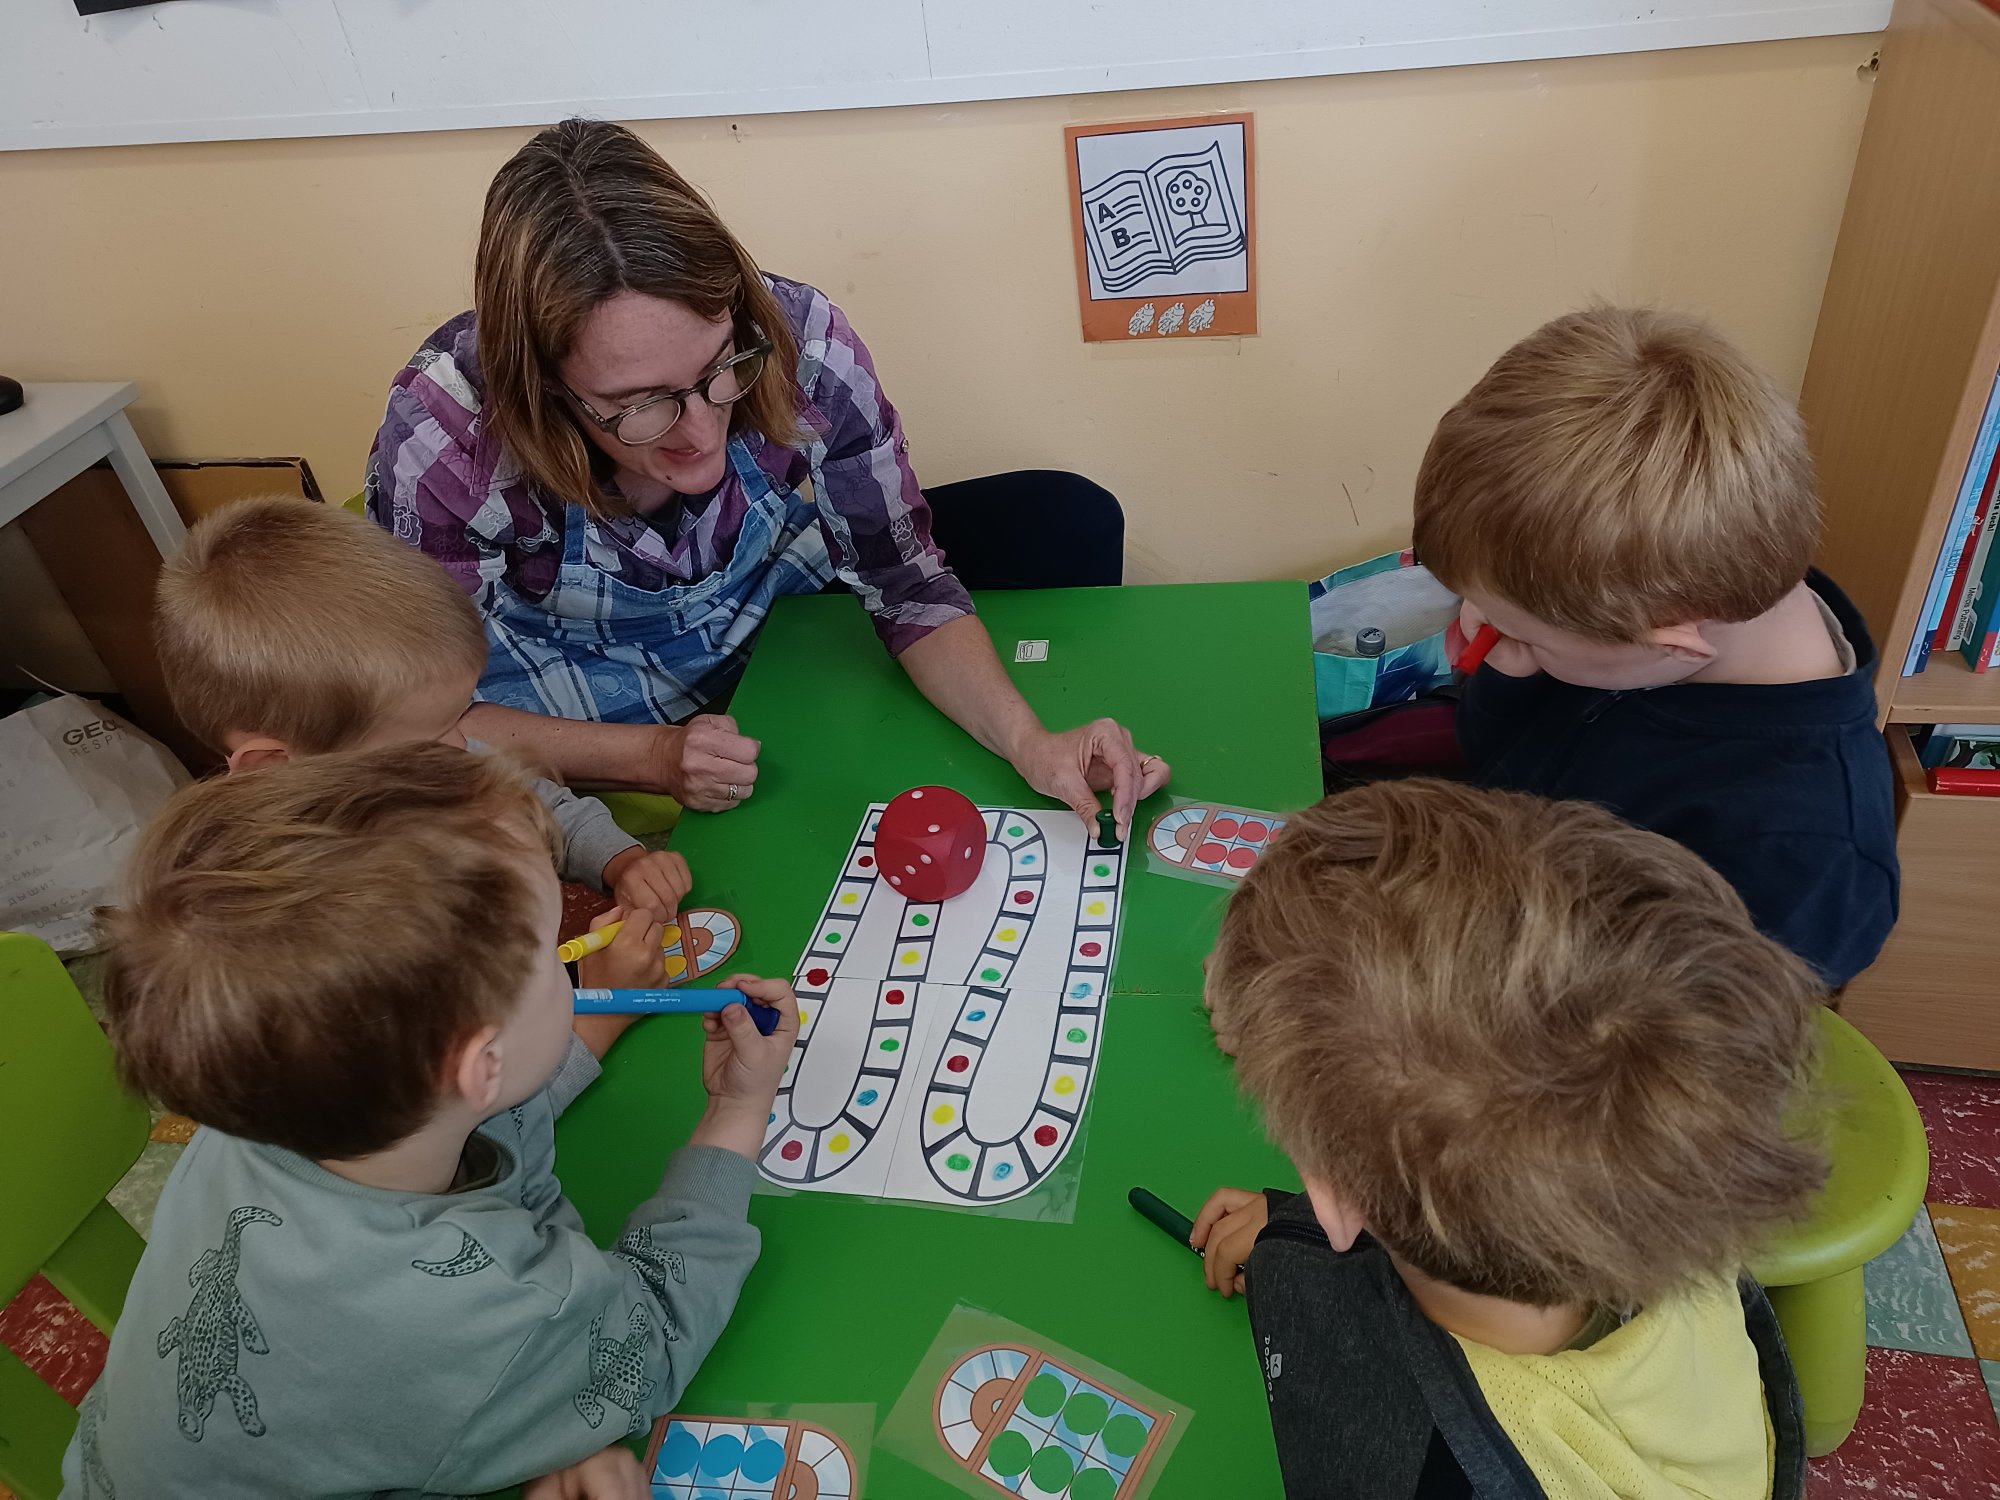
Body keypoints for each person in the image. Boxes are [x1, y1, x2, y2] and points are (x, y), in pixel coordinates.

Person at [367, 118, 1169, 834]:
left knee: (1062, 516)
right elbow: (415, 722)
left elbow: (902, 578)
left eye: (721, 370)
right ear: (545, 384)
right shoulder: (444, 439)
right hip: (579, 677)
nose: (700, 436)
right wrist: (653, 756)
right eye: (640, 405)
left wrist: (1031, 742)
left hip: (767, 611)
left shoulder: (797, 337)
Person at [60, 746, 800, 1497]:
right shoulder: (493, 1310)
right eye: (555, 956)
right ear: (480, 1065)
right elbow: (652, 1341)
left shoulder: (263, 1106)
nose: (572, 966)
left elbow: (483, 1113)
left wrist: (527, 1401)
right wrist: (735, 1113)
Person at [1191, 779, 1823, 1500]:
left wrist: (1307, 1239)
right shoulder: (1665, 1191)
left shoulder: (1413, 1467)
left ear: (1337, 1200)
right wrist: (1298, 1225)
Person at [1411, 305, 1897, 988]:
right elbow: (1509, 771)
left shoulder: (1802, 856)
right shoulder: (1658, 596)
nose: (1479, 625)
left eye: (1516, 630)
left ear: (1672, 644)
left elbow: (1689, 1033)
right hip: (1500, 892)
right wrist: (1513, 676)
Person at [154, 497, 691, 922]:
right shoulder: (305, 917)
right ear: (273, 767)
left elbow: (541, 807)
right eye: (432, 739)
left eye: (458, 717)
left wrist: (619, 861)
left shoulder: (441, 758)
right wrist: (596, 1017)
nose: (464, 749)